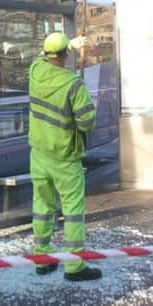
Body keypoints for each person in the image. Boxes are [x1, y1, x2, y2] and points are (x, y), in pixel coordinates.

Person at [28, 32, 101, 282]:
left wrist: (68, 44)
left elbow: (41, 56)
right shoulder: (74, 84)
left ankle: (42, 258)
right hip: (66, 158)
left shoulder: (35, 71)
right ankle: (74, 266)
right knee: (72, 211)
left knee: (42, 207)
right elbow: (87, 123)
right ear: (67, 55)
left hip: (39, 154)